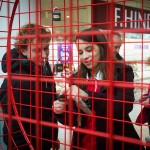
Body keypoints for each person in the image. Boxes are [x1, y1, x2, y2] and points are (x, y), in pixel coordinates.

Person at [53, 28, 145, 150]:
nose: (84, 56)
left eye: (89, 50)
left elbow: (123, 107)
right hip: (84, 143)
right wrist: (61, 111)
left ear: (102, 48)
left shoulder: (122, 71)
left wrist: (87, 96)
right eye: (80, 52)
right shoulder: (76, 78)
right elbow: (75, 120)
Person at [0, 24, 59, 149]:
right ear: (23, 51)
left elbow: (47, 108)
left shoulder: (44, 69)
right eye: (36, 50)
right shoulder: (18, 80)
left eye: (46, 48)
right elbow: (16, 127)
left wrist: (52, 137)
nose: (44, 55)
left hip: (43, 140)